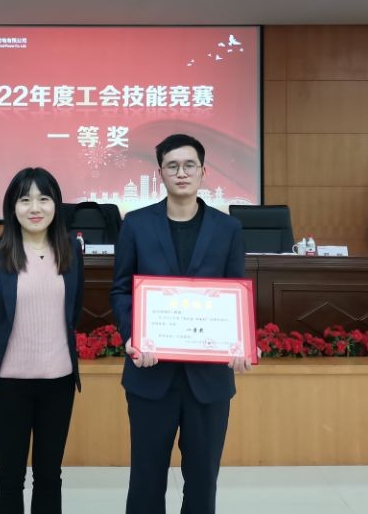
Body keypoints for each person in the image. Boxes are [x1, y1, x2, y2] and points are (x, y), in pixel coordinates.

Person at [110, 133, 250, 514]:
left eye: (189, 165)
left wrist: (240, 341)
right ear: (160, 173)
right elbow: (121, 290)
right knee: (146, 481)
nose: (181, 172)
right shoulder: (136, 224)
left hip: (208, 381)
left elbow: (236, 291)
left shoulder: (228, 229)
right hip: (150, 375)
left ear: (204, 172)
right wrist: (132, 335)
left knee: (203, 483)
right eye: (172, 166)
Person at [0, 167, 85, 514]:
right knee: (10, 476)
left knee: (50, 475)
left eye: (43, 198)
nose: (35, 208)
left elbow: (74, 307)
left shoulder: (70, 251)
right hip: (10, 384)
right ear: (12, 207)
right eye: (25, 200)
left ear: (56, 205)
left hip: (59, 381)